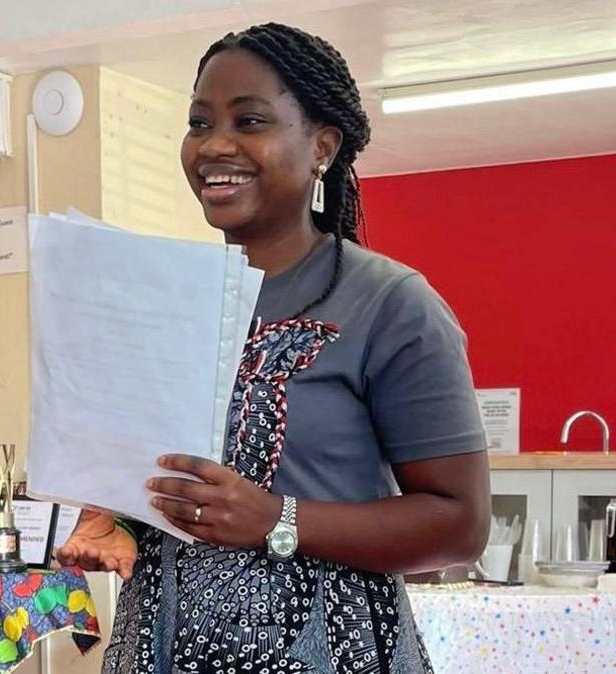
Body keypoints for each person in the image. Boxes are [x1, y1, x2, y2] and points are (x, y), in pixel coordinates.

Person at [56, 22, 490, 673]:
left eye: (249, 121)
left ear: (322, 145)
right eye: (199, 123)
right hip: (164, 642)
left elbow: (461, 526)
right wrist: (113, 518)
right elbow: (177, 486)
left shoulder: (390, 304)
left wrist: (276, 519)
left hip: (330, 649)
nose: (215, 145)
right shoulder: (173, 302)